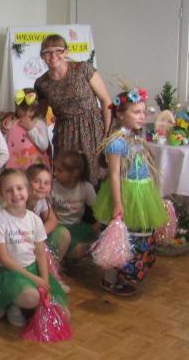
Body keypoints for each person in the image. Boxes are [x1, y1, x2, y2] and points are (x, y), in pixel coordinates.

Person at [93, 87, 167, 296]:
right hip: (127, 193)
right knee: (123, 235)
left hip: (143, 191)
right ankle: (111, 277)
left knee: (139, 232)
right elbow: (114, 174)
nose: (142, 116)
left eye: (143, 112)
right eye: (136, 112)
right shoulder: (116, 142)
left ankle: (125, 275)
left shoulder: (136, 137)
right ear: (120, 114)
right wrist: (118, 203)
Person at [0, 169, 68, 327]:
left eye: (19, 188)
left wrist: (44, 280)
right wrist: (34, 279)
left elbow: (40, 254)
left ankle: (20, 304)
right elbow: (4, 259)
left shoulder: (34, 219)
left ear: (27, 190)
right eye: (9, 190)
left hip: (32, 268)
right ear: (2, 194)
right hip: (8, 272)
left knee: (64, 314)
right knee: (32, 297)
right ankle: (13, 305)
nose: (15, 194)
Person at [33, 34, 113, 187]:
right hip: (65, 134)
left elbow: (105, 100)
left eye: (58, 50)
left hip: (93, 130)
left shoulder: (83, 69)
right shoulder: (41, 83)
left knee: (96, 177)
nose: (53, 56)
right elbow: (39, 114)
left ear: (66, 52)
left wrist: (108, 134)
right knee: (68, 178)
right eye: (47, 52)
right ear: (42, 56)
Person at [26, 163, 71, 292]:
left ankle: (52, 274)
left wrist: (38, 235)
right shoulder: (21, 199)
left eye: (47, 183)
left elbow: (53, 220)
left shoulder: (42, 200)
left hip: (34, 238)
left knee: (63, 233)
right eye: (37, 182)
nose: (42, 186)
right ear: (27, 183)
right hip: (19, 241)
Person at [51, 150, 98, 262]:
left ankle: (71, 254)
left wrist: (97, 225)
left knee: (97, 238)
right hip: (59, 227)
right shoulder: (53, 186)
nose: (55, 173)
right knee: (70, 243)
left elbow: (97, 210)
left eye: (60, 170)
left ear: (74, 173)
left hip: (78, 227)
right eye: (54, 169)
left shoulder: (86, 187)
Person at [2, 88, 50, 171]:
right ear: (17, 107)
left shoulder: (39, 123)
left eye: (31, 110)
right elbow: (3, 145)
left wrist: (31, 129)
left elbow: (44, 146)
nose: (27, 113)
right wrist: (5, 133)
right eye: (24, 109)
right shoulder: (11, 122)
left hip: (35, 169)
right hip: (15, 168)